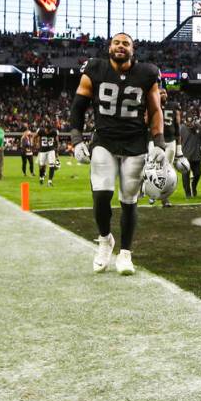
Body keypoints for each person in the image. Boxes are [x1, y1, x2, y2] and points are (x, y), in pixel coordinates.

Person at [68, 32, 165, 276]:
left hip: (135, 142)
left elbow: (155, 110)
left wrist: (159, 142)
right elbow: (78, 106)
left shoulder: (147, 73)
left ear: (133, 50)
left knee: (128, 199)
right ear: (109, 47)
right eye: (116, 42)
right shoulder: (95, 68)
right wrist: (77, 138)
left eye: (126, 43)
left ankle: (125, 253)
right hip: (105, 140)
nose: (121, 46)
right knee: (101, 195)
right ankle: (104, 240)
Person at [153, 88, 184, 207]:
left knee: (167, 170)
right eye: (161, 93)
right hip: (156, 140)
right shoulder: (152, 104)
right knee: (154, 169)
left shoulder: (173, 106)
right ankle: (151, 191)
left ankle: (164, 198)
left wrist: (179, 147)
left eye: (165, 92)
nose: (163, 94)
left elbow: (177, 126)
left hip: (170, 140)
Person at [179, 123, 201, 198]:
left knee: (198, 173)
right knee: (185, 176)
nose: (190, 124)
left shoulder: (199, 127)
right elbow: (178, 140)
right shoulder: (181, 128)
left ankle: (193, 186)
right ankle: (188, 193)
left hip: (196, 155)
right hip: (185, 155)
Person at [36, 120, 60, 187]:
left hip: (51, 150)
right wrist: (35, 144)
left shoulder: (54, 132)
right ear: (45, 129)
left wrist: (57, 148)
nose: (47, 132)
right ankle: (41, 177)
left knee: (52, 165)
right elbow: (34, 137)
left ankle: (50, 181)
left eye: (48, 131)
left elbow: (57, 140)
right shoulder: (41, 131)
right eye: (47, 130)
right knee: (42, 165)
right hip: (42, 150)